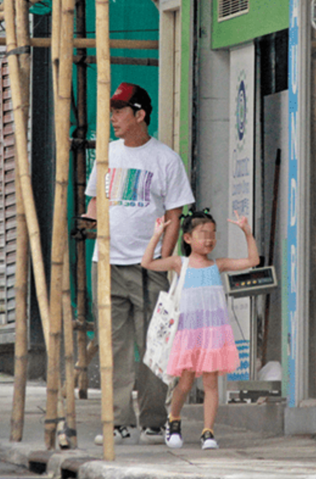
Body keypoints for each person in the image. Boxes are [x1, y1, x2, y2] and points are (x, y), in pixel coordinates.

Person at [84, 82, 195, 445]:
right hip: (107, 262)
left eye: (120, 111)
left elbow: (175, 215)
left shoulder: (165, 159)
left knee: (153, 342)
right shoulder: (107, 154)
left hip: (147, 266)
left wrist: (162, 258)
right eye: (112, 111)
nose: (113, 118)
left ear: (140, 114)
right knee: (112, 343)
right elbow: (93, 205)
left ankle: (152, 418)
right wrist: (88, 224)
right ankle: (115, 419)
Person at [140, 209, 259, 450]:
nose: (209, 239)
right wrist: (156, 236)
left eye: (213, 234)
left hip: (213, 333)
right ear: (187, 238)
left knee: (211, 384)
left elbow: (253, 261)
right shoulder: (179, 263)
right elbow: (147, 263)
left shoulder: (219, 264)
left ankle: (208, 431)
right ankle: (173, 420)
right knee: (183, 385)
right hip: (188, 332)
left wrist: (247, 232)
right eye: (203, 234)